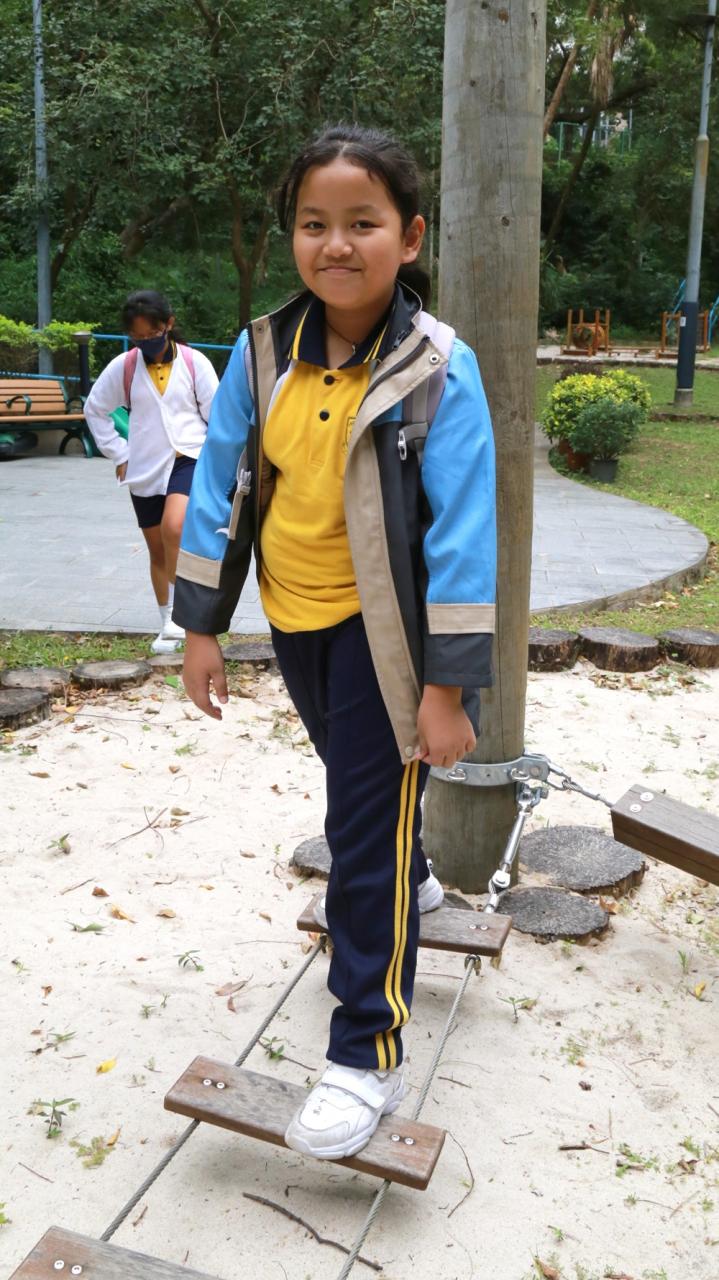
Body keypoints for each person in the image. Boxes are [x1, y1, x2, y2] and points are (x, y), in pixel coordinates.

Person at [175, 125, 497, 1160]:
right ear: (293, 237)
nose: (337, 244)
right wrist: (200, 627)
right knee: (364, 793)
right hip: (297, 619)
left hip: (388, 640)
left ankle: (363, 1050)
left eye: (362, 223)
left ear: (409, 237)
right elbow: (222, 487)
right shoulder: (262, 350)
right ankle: (417, 873)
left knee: (357, 837)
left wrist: (445, 689)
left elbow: (463, 535)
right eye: (314, 224)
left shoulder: (437, 367)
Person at [83, 291, 219, 653]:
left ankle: (185, 617)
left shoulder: (194, 362)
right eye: (137, 337)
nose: (146, 342)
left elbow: (217, 414)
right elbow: (95, 409)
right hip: (144, 466)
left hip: (189, 456)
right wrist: (118, 453)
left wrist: (220, 462)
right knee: (157, 548)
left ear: (169, 324)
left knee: (175, 527)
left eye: (153, 334)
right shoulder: (124, 366)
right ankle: (169, 622)